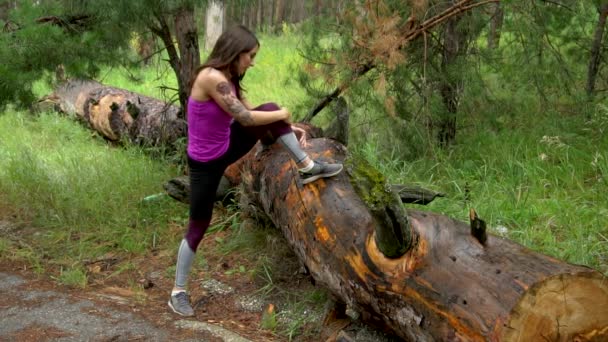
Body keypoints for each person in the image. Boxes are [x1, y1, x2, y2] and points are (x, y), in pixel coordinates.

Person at [168, 25, 343, 316]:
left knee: (271, 109)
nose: (252, 61)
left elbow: (251, 110)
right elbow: (245, 116)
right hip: (204, 166)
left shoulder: (230, 77)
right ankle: (178, 292)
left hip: (226, 147)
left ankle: (307, 166)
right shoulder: (210, 77)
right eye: (250, 55)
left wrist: (284, 126)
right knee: (198, 226)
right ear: (235, 53)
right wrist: (282, 116)